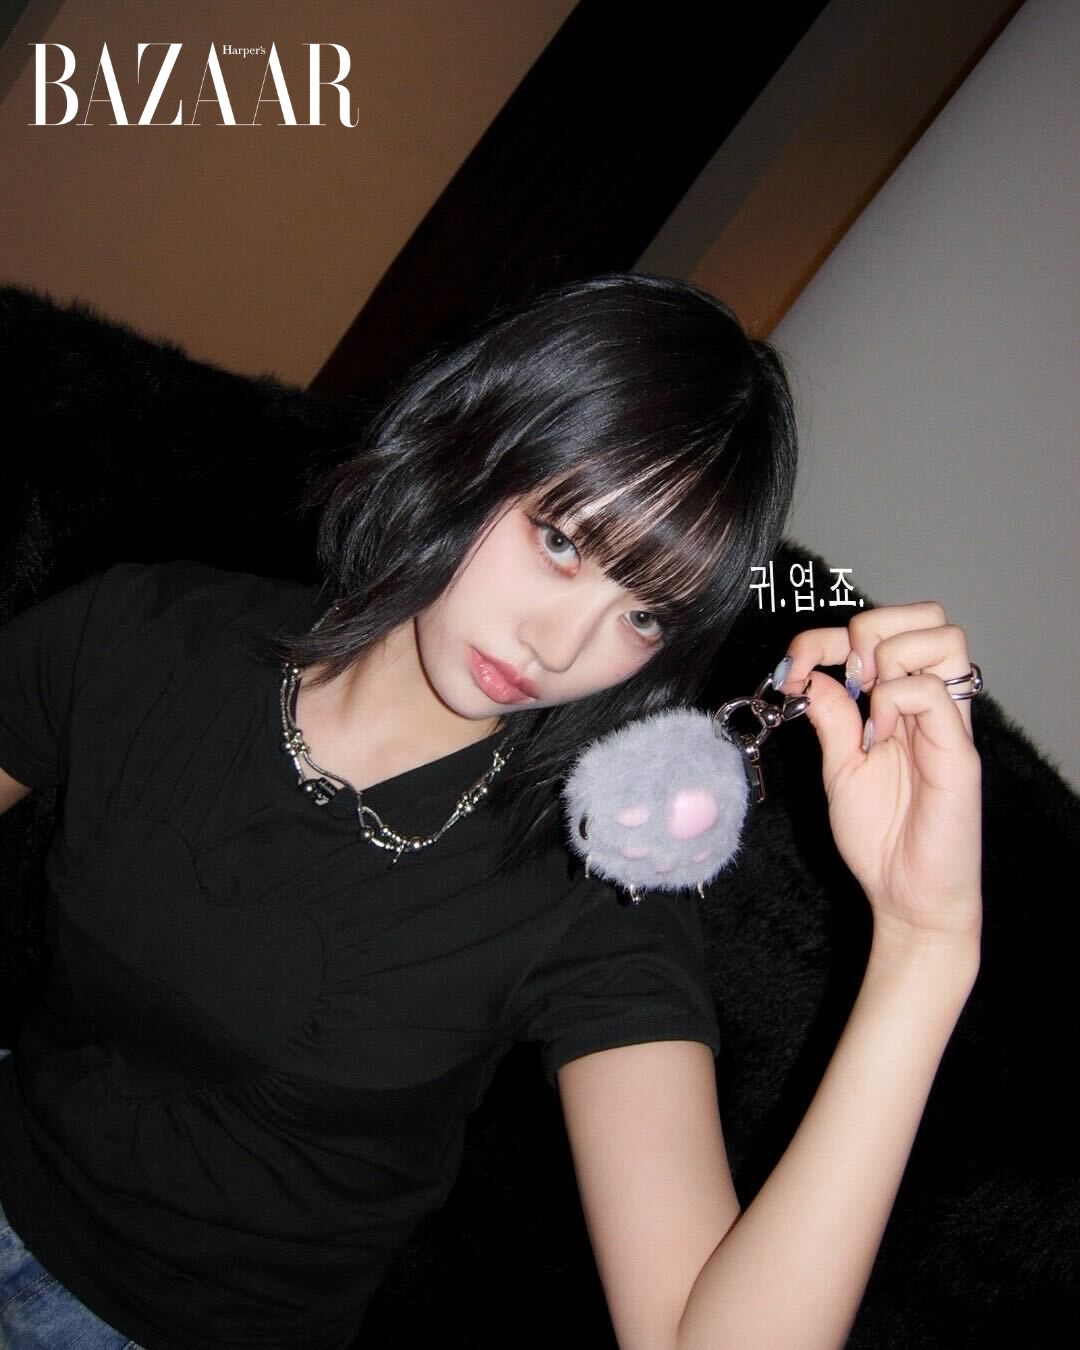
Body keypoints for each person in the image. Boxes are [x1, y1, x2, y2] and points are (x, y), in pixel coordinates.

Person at [0, 273, 982, 1350]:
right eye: (561, 540)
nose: (560, 648)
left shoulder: (594, 879)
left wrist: (925, 946)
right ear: (466, 439)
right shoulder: (148, 634)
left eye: (644, 614)